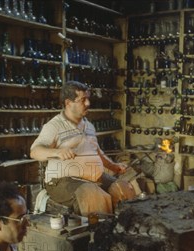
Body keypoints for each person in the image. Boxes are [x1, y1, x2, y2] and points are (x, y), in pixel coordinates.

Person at [30, 81, 135, 216]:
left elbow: (97, 152)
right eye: (82, 100)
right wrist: (57, 152)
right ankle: (100, 233)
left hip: (92, 177)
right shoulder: (54, 126)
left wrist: (114, 166)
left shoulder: (89, 125)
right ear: (68, 103)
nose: (88, 104)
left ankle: (126, 229)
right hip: (61, 181)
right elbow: (35, 151)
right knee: (91, 194)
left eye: (88, 99)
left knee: (123, 188)